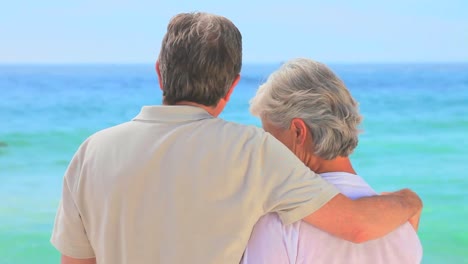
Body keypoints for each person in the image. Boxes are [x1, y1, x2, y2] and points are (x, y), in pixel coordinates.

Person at [50, 12, 422, 264]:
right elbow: (355, 224)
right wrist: (407, 201)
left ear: (160, 74)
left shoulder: (90, 153)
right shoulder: (252, 152)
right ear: (231, 87)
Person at [242, 58, 423, 264]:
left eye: (271, 136)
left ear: (299, 132)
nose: (269, 150)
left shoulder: (279, 222)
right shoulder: (402, 228)